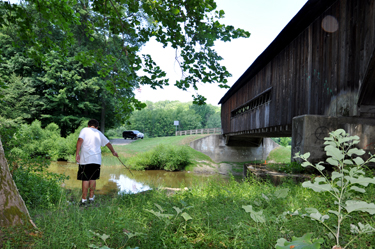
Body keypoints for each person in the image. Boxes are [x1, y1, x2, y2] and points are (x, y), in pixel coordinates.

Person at [75, 119, 118, 206]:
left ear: (88, 125)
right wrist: (113, 152)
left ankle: (83, 200)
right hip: (96, 160)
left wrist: (77, 154)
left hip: (85, 159)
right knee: (93, 178)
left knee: (85, 179)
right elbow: (108, 144)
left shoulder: (85, 130)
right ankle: (91, 198)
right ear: (97, 127)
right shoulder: (99, 133)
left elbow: (80, 140)